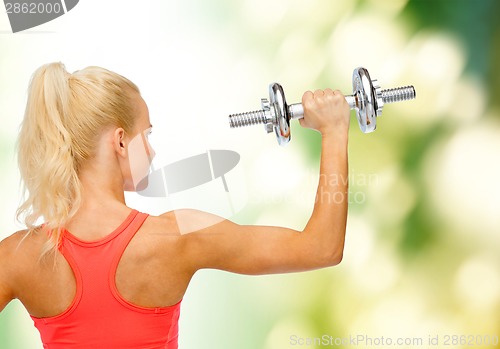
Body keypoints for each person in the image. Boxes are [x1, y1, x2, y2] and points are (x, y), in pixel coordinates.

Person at [0, 62, 350, 349]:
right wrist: (334, 131)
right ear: (120, 142)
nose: (151, 151)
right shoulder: (177, 234)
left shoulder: (19, 255)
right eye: (146, 135)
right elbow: (321, 248)